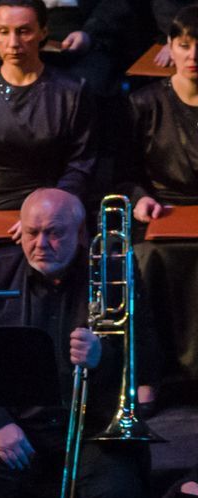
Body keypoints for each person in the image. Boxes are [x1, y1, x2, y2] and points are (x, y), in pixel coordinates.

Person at [0, 187, 148, 498]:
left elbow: (150, 356)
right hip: (22, 428)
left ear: (80, 233)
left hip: (93, 427)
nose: (41, 244)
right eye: (32, 232)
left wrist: (101, 358)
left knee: (118, 494)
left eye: (55, 233)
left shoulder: (114, 275)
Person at [0, 3, 94, 255]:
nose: (13, 43)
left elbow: (80, 167)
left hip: (54, 218)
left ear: (43, 32)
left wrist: (43, 215)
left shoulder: (72, 92)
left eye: (24, 32)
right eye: (3, 32)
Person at [124, 7, 198, 411]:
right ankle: (149, 374)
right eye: (184, 46)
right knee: (146, 257)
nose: (193, 56)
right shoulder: (144, 103)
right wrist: (140, 200)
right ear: (169, 47)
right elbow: (123, 173)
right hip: (164, 214)